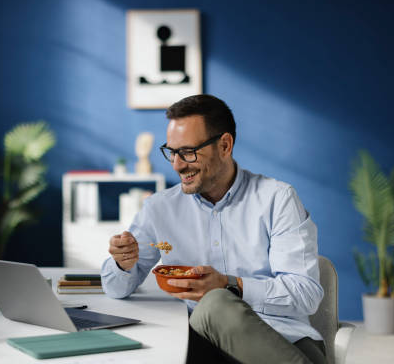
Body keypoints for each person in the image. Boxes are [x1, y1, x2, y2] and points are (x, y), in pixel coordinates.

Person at [101, 95, 326, 364]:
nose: (177, 164)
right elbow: (115, 289)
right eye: (172, 152)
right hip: (201, 347)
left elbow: (306, 296)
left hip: (283, 342)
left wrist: (230, 285)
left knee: (215, 303)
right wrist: (122, 263)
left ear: (224, 145)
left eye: (188, 152)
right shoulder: (159, 208)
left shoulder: (277, 199)